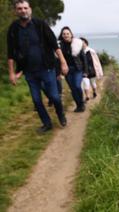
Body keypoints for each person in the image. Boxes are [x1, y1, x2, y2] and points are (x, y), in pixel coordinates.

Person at [7, 0, 68, 133]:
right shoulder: (13, 29)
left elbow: (54, 45)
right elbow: (11, 53)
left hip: (47, 68)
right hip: (29, 72)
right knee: (36, 100)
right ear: (16, 11)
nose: (23, 11)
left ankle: (60, 114)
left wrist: (63, 62)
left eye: (25, 8)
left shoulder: (40, 25)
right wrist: (12, 73)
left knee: (54, 97)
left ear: (30, 9)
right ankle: (47, 124)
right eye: (20, 9)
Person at [58, 26, 88, 112]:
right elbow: (58, 60)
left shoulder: (77, 44)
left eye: (67, 33)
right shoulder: (60, 46)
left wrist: (85, 71)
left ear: (71, 35)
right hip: (67, 70)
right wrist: (59, 72)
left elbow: (84, 58)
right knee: (73, 89)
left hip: (77, 69)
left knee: (77, 86)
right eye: (64, 34)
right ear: (62, 35)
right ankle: (79, 105)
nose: (66, 35)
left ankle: (81, 103)